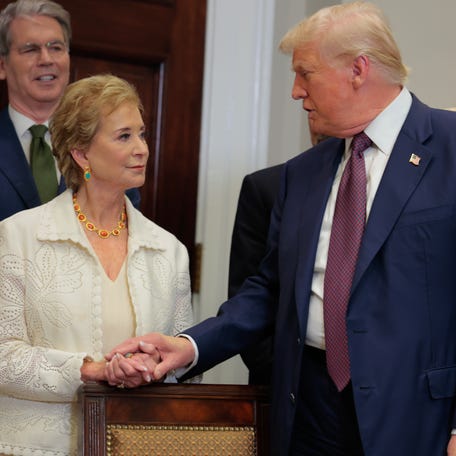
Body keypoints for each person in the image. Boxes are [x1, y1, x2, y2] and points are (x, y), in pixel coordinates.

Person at [107, 2, 456, 455]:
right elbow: (269, 290)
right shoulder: (302, 174)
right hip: (308, 411)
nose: (295, 91)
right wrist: (189, 347)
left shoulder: (448, 146)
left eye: (305, 73)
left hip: (417, 419)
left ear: (358, 69)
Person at [0, 74, 197, 455]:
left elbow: (187, 369)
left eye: (142, 134)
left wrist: (155, 365)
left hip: (138, 445)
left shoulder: (169, 250)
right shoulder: (18, 237)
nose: (142, 148)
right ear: (81, 154)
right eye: (124, 136)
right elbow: (3, 356)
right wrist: (94, 370)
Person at [0, 0, 139, 221]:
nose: (46, 59)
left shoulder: (108, 143)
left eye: (56, 47)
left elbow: (125, 229)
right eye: (30, 49)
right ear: (2, 65)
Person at [228, 125, 328, 385]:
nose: (316, 124)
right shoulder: (268, 186)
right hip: (282, 380)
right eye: (309, 114)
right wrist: (281, 372)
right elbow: (250, 289)